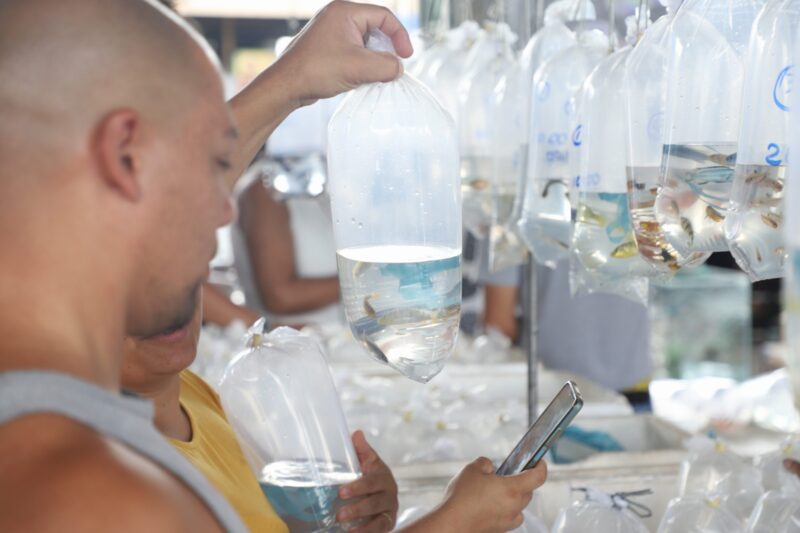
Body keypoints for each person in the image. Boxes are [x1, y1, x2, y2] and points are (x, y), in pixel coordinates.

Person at [0, 0, 545, 531]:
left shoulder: (73, 427)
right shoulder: (84, 492)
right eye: (215, 165)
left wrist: (292, 81)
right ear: (123, 157)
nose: (222, 209)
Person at [121, 288, 399, 532]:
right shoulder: (110, 473)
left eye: (183, 270)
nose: (170, 299)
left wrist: (361, 509)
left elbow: (285, 518)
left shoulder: (190, 391)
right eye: (131, 277)